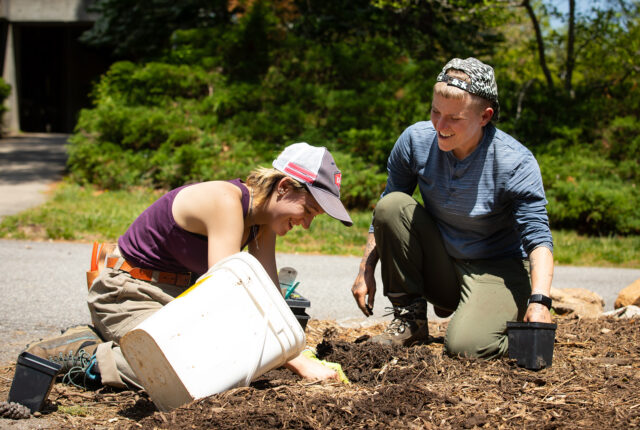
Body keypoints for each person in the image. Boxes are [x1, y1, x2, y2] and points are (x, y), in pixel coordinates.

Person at [27, 142, 353, 389]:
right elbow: (227, 296)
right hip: (126, 293)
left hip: (174, 300)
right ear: (284, 188)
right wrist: (294, 361)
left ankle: (106, 340)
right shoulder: (226, 202)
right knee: (185, 368)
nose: (307, 223)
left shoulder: (261, 224)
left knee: (228, 363)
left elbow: (269, 296)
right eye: (308, 210)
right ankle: (82, 354)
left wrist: (298, 348)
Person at [351, 57, 554, 358]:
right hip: (443, 261)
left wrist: (540, 302)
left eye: (454, 118)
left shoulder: (514, 162)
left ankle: (498, 316)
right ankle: (410, 321)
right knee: (392, 206)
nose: (440, 126)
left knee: (465, 348)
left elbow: (537, 238)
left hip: (495, 268)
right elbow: (387, 209)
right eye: (435, 112)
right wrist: (366, 268)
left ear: (485, 116)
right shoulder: (415, 141)